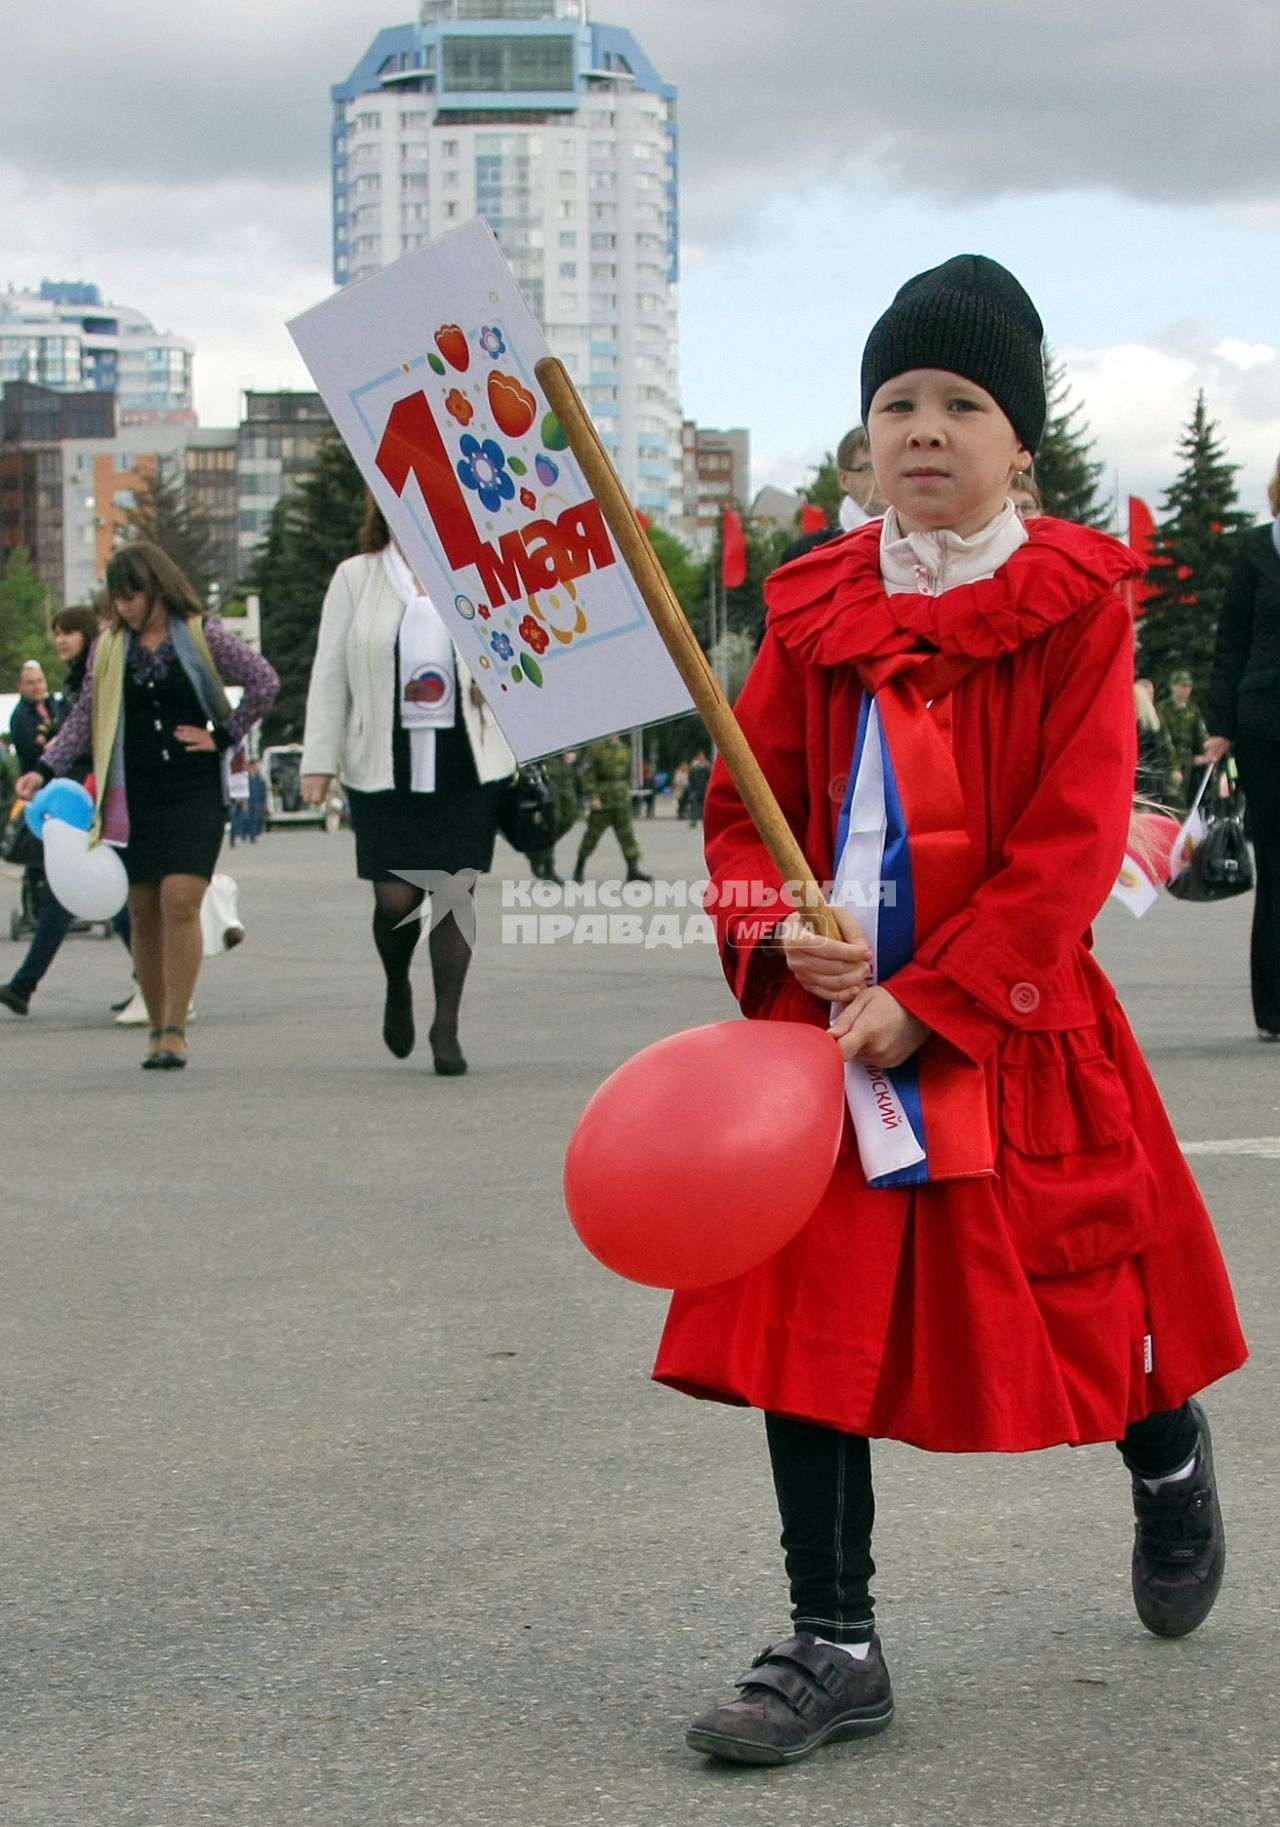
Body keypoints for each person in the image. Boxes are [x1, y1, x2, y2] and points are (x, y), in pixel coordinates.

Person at [653, 255, 1246, 1766]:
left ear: (1020, 442)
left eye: (960, 402)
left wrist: (942, 996)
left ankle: (1167, 1453)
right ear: (864, 439)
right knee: (805, 1315)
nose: (923, 428)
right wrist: (777, 922)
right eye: (895, 402)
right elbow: (746, 804)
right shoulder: (810, 609)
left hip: (1011, 1018)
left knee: (1089, 1290)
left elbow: (1071, 828)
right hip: (829, 1028)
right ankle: (833, 1638)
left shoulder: (1073, 603)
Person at [15, 543, 279, 1068]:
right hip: (132, 792)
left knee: (180, 899)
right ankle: (155, 1026)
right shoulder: (110, 647)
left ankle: (177, 1027)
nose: (126, 607)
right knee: (142, 907)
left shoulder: (204, 634)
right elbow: (85, 718)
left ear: (157, 587)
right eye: (118, 599)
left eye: (132, 595)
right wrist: (42, 769)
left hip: (194, 788)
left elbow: (264, 682)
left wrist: (223, 735)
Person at [299, 496, 514, 1074]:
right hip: (382, 757)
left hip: (463, 757)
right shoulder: (356, 577)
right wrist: (317, 760)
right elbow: (329, 672)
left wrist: (496, 689)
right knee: (394, 898)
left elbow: (515, 650)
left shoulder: (478, 569)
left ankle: (447, 1027)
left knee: (452, 893)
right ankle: (398, 981)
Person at [0, 608, 134, 1020]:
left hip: (95, 793)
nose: (60, 640)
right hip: (79, 791)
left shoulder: (95, 672)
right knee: (96, 890)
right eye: (56, 633)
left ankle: (161, 983)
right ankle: (153, 980)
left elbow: (93, 732)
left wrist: (49, 762)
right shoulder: (74, 679)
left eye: (68, 632)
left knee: (96, 889)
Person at [1206, 456, 1280, 1039]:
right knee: (1277, 863)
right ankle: (1275, 1006)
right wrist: (1222, 722)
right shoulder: (1258, 548)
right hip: (1266, 724)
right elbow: (1230, 639)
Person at [573, 733, 650, 883]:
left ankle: (633, 870)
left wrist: (627, 794)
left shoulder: (624, 749)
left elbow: (627, 774)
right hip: (603, 799)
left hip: (621, 799)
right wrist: (593, 796)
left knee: (627, 835)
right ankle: (579, 868)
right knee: (592, 835)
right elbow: (589, 775)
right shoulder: (597, 749)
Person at [528, 751, 582, 884]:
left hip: (566, 771)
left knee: (570, 815)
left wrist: (576, 752)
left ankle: (537, 850)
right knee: (552, 820)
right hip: (547, 770)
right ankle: (548, 868)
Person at [1162, 671, 1209, 809]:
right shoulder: (1163, 709)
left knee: (1190, 800)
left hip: (1189, 762)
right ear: (1173, 686)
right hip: (1170, 762)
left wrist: (1206, 754)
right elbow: (1164, 740)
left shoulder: (1193, 710)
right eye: (1182, 686)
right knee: (1174, 802)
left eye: (1188, 686)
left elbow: (1200, 734)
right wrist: (1173, 766)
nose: (1186, 690)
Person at [1135, 677, 1181, 805]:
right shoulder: (1153, 721)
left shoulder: (1152, 720)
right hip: (1151, 777)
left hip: (1144, 778)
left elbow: (1165, 747)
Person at [9, 661, 57, 771]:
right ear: (20, 687)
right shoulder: (20, 717)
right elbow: (34, 755)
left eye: (40, 681)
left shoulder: (54, 706)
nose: (37, 687)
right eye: (30, 683)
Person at [686, 750, 712, 826]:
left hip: (705, 789)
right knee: (694, 805)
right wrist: (692, 788)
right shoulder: (693, 768)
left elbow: (710, 777)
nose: (701, 759)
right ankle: (694, 820)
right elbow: (690, 779)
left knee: (705, 806)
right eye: (700, 758)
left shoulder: (707, 768)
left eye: (702, 758)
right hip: (696, 789)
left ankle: (706, 821)